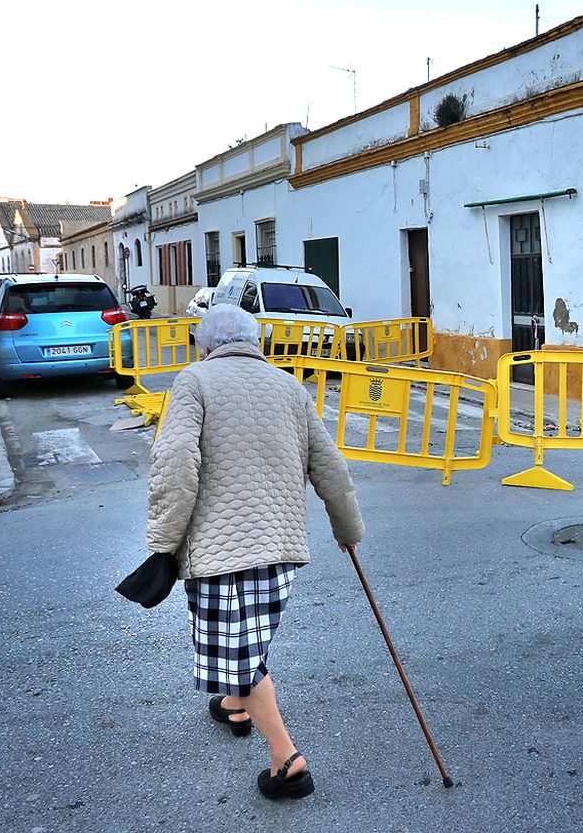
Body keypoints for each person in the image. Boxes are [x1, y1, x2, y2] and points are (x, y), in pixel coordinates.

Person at [144, 303, 364, 800]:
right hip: (281, 548)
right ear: (257, 343)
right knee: (247, 639)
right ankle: (237, 707)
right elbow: (329, 464)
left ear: (205, 345)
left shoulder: (194, 381)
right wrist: (347, 527)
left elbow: (176, 459)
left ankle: (288, 761)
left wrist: (163, 539)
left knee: (241, 656)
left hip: (222, 551)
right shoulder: (289, 386)